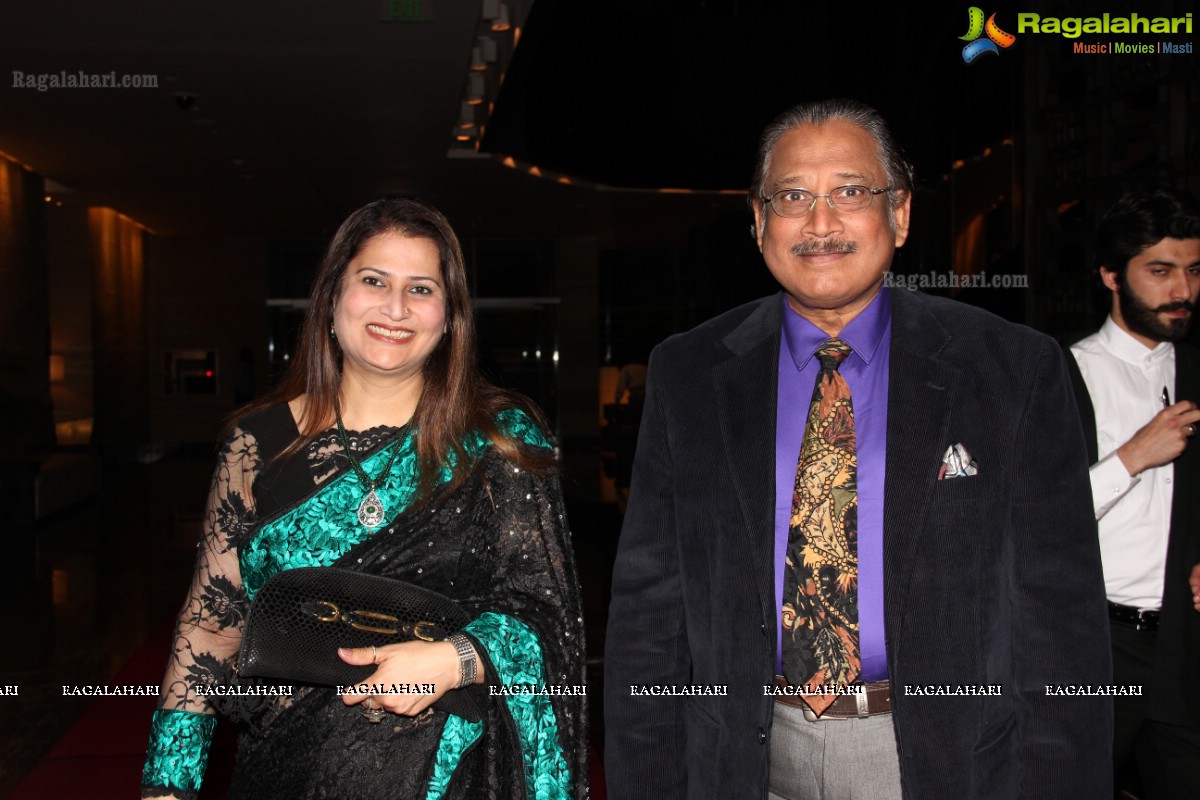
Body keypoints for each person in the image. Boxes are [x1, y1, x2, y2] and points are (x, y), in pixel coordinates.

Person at [604, 98, 1112, 800]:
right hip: (746, 759)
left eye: (850, 191)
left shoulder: (1011, 369)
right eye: (791, 197)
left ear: (899, 213)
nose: (820, 222)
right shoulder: (688, 373)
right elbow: (648, 618)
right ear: (758, 222)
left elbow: (1062, 617)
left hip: (946, 758)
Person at [141, 197, 588, 800]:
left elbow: (548, 613)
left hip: (449, 774)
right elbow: (211, 629)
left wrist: (458, 658)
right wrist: (169, 786)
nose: (396, 308)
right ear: (330, 299)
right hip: (287, 771)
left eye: (422, 289)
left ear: (450, 317)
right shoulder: (254, 447)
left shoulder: (498, 440)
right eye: (374, 280)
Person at [1067, 189, 1200, 799]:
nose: (1183, 290)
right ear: (1110, 276)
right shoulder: (1065, 373)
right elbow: (1039, 515)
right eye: (1161, 271)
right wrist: (1131, 457)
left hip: (1185, 642)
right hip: (1097, 642)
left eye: (1194, 271)